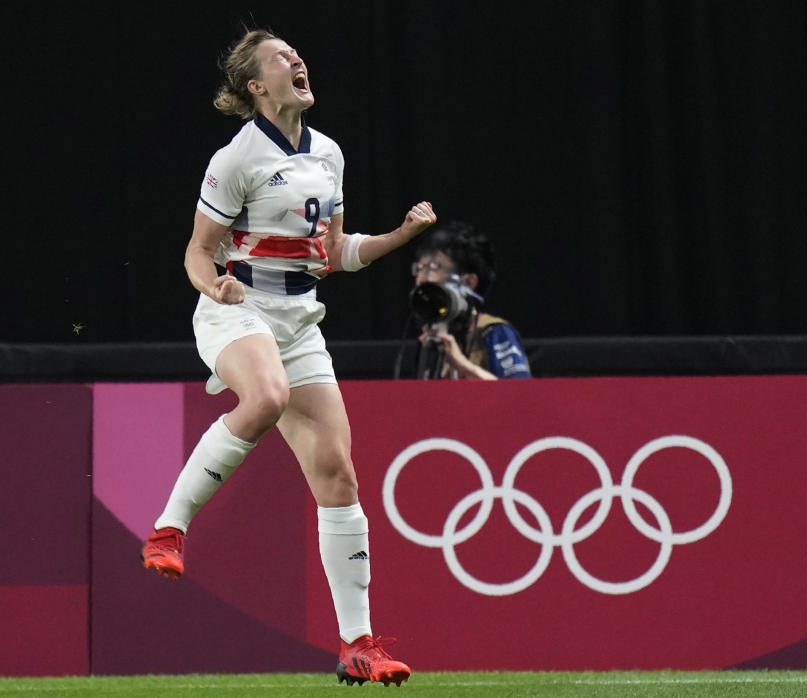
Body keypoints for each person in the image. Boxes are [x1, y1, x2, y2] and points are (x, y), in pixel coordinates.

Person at [138, 29, 435, 687]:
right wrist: (209, 282)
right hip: (236, 305)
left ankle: (358, 645)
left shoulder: (327, 154)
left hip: (300, 322)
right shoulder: (236, 158)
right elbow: (195, 250)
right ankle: (168, 530)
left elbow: (333, 258)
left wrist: (402, 234)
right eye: (281, 58)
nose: (297, 59)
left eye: (297, 53)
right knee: (266, 398)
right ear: (256, 86)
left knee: (338, 475)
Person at [409, 221, 531, 380]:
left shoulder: (494, 332)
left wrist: (463, 365)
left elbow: (521, 396)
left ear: (468, 282)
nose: (421, 279)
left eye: (433, 267)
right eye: (419, 268)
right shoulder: (429, 341)